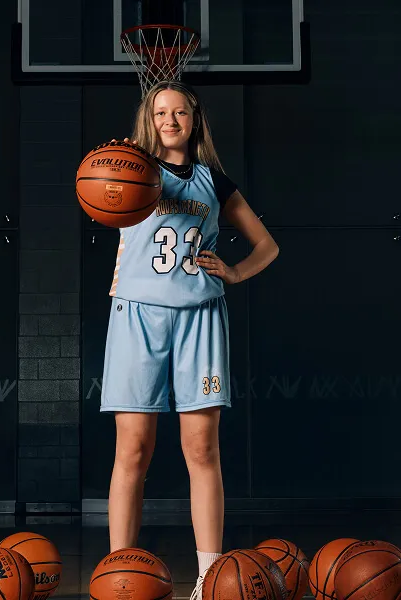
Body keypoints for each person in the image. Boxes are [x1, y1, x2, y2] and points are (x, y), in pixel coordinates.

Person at [100, 80, 279, 599]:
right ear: (148, 121)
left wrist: (237, 272)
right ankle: (119, 574)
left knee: (201, 449)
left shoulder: (214, 182)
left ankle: (208, 577)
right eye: (161, 113)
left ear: (195, 121)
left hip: (200, 317)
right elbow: (96, 197)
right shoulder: (128, 170)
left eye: (180, 113)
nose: (171, 121)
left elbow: (266, 245)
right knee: (132, 450)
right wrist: (114, 171)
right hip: (137, 318)